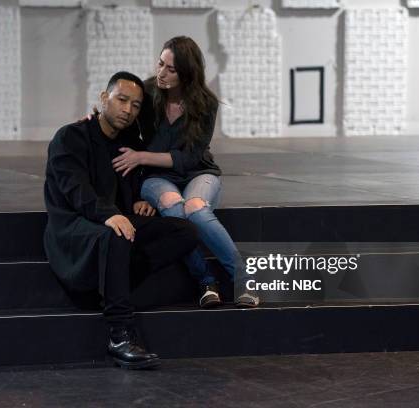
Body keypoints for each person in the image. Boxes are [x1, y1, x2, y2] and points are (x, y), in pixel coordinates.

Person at [43, 71, 200, 369]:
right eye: (121, 100)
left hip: (114, 221)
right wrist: (112, 215)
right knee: (118, 234)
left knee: (185, 232)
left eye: (136, 105)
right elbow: (77, 192)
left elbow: (127, 179)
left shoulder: (127, 140)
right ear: (104, 98)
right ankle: (119, 335)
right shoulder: (70, 137)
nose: (128, 110)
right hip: (74, 228)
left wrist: (138, 199)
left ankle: (113, 284)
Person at [110, 37, 260, 309]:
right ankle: (206, 282)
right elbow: (117, 109)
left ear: (188, 73)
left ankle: (245, 279)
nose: (162, 73)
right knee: (175, 211)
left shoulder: (205, 103)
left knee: (196, 208)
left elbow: (190, 157)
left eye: (171, 69)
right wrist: (94, 118)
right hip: (157, 177)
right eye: (160, 64)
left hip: (198, 171)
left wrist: (141, 156)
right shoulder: (146, 93)